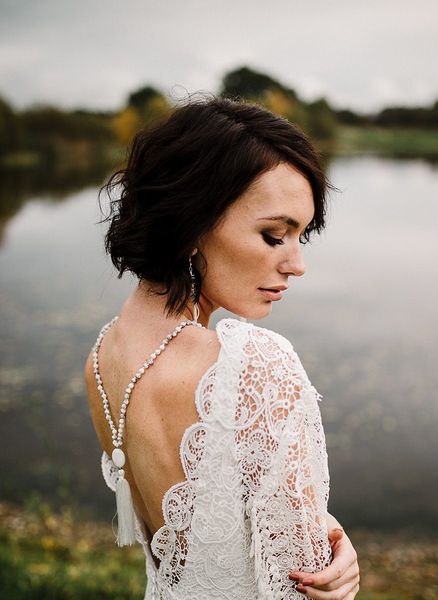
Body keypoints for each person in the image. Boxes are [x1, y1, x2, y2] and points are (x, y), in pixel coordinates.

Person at [85, 95, 360, 599]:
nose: (296, 264)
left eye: (302, 236)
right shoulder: (253, 365)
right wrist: (335, 572)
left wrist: (313, 518)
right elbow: (299, 585)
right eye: (274, 235)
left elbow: (201, 533)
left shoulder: (103, 356)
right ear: (192, 222)